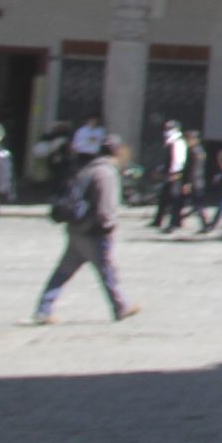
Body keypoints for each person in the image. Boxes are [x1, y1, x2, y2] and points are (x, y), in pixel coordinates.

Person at [34, 138, 140, 322]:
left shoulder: (88, 169)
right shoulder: (106, 173)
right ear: (118, 153)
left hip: (76, 229)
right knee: (107, 271)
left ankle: (44, 309)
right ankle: (120, 306)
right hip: (94, 231)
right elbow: (106, 206)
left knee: (62, 272)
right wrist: (107, 227)